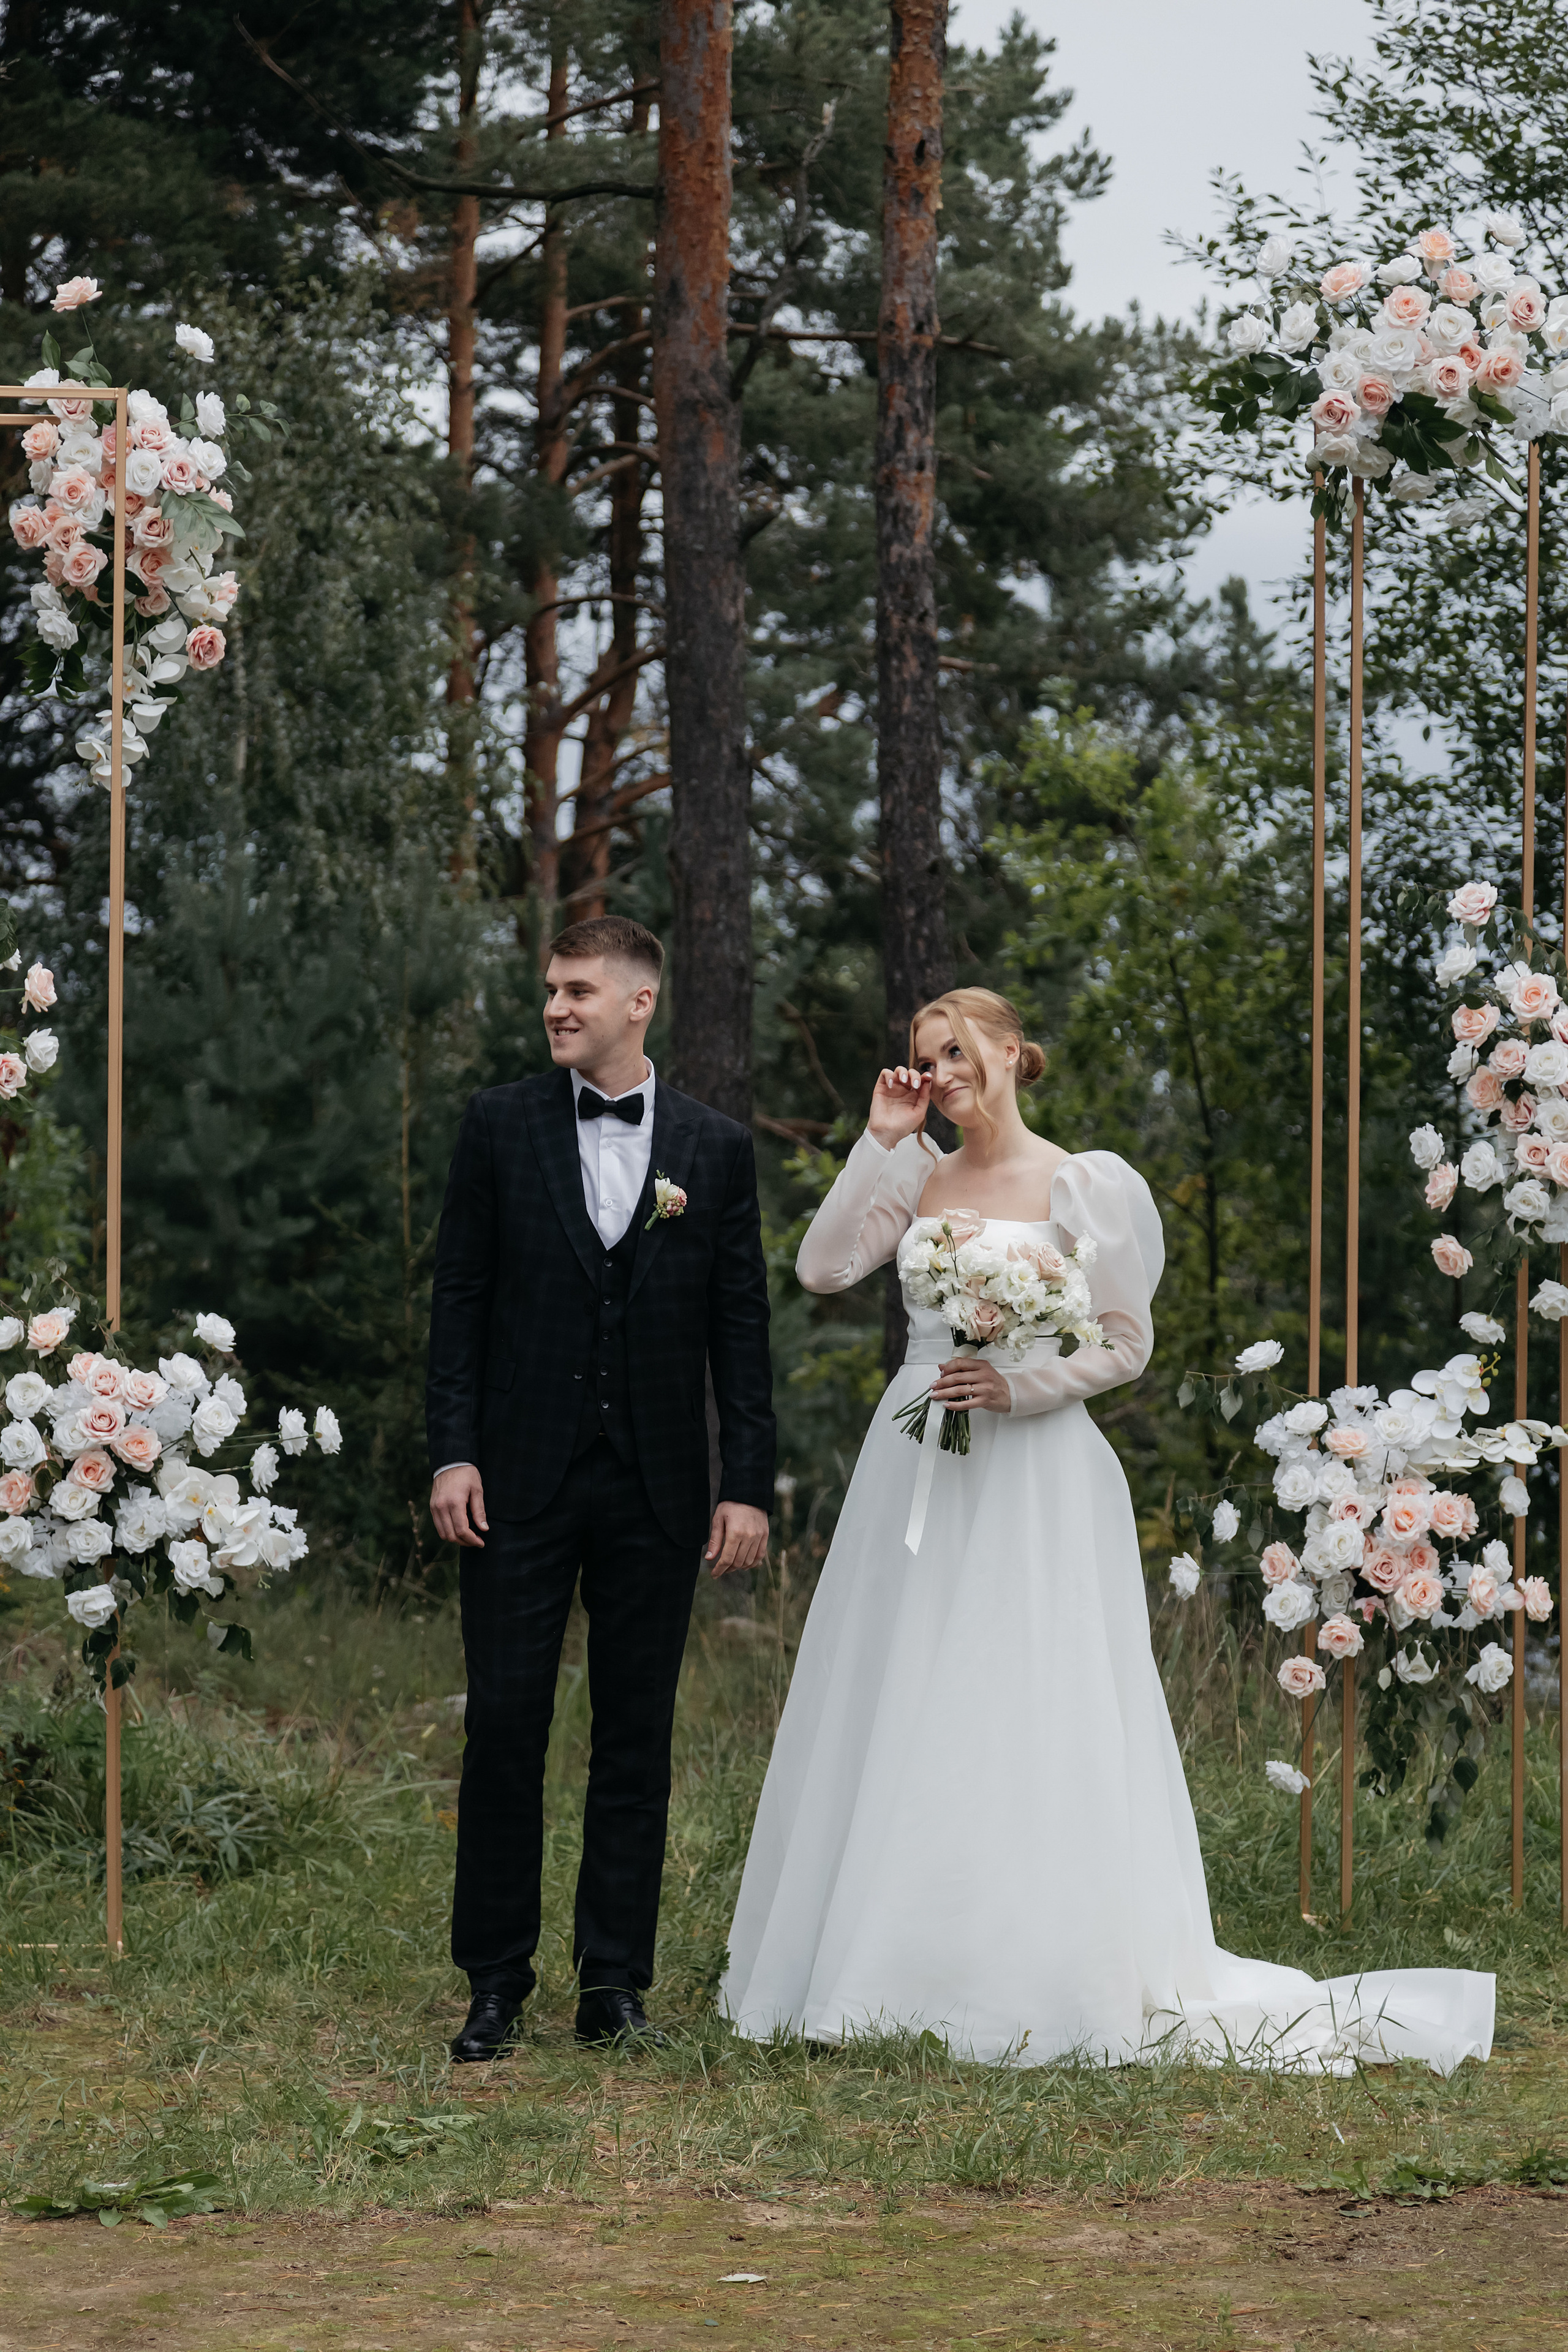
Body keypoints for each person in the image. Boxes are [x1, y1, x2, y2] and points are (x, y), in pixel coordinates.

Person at [722, 987, 1493, 2075]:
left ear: (1004, 1051)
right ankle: (878, 1966)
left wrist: (1021, 1382)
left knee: (1028, 1687)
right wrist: (875, 1141)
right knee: (900, 1685)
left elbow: (1125, 1342)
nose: (935, 1072)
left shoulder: (1084, 1181)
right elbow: (820, 1269)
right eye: (918, 1058)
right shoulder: (913, 1172)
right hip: (917, 1455)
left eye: (952, 1052)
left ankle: (1034, 1966)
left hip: (1034, 1464)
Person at [428, 915, 775, 2061]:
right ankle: (494, 1983)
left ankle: (613, 1987)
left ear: (641, 1002)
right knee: (507, 1732)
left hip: (661, 1490)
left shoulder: (716, 1149)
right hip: (516, 1481)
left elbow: (741, 1327)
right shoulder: (499, 1124)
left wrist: (748, 1486)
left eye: (579, 990)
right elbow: (460, 1303)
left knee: (635, 1741)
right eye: (549, 991)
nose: (557, 1007)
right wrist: (453, 1451)